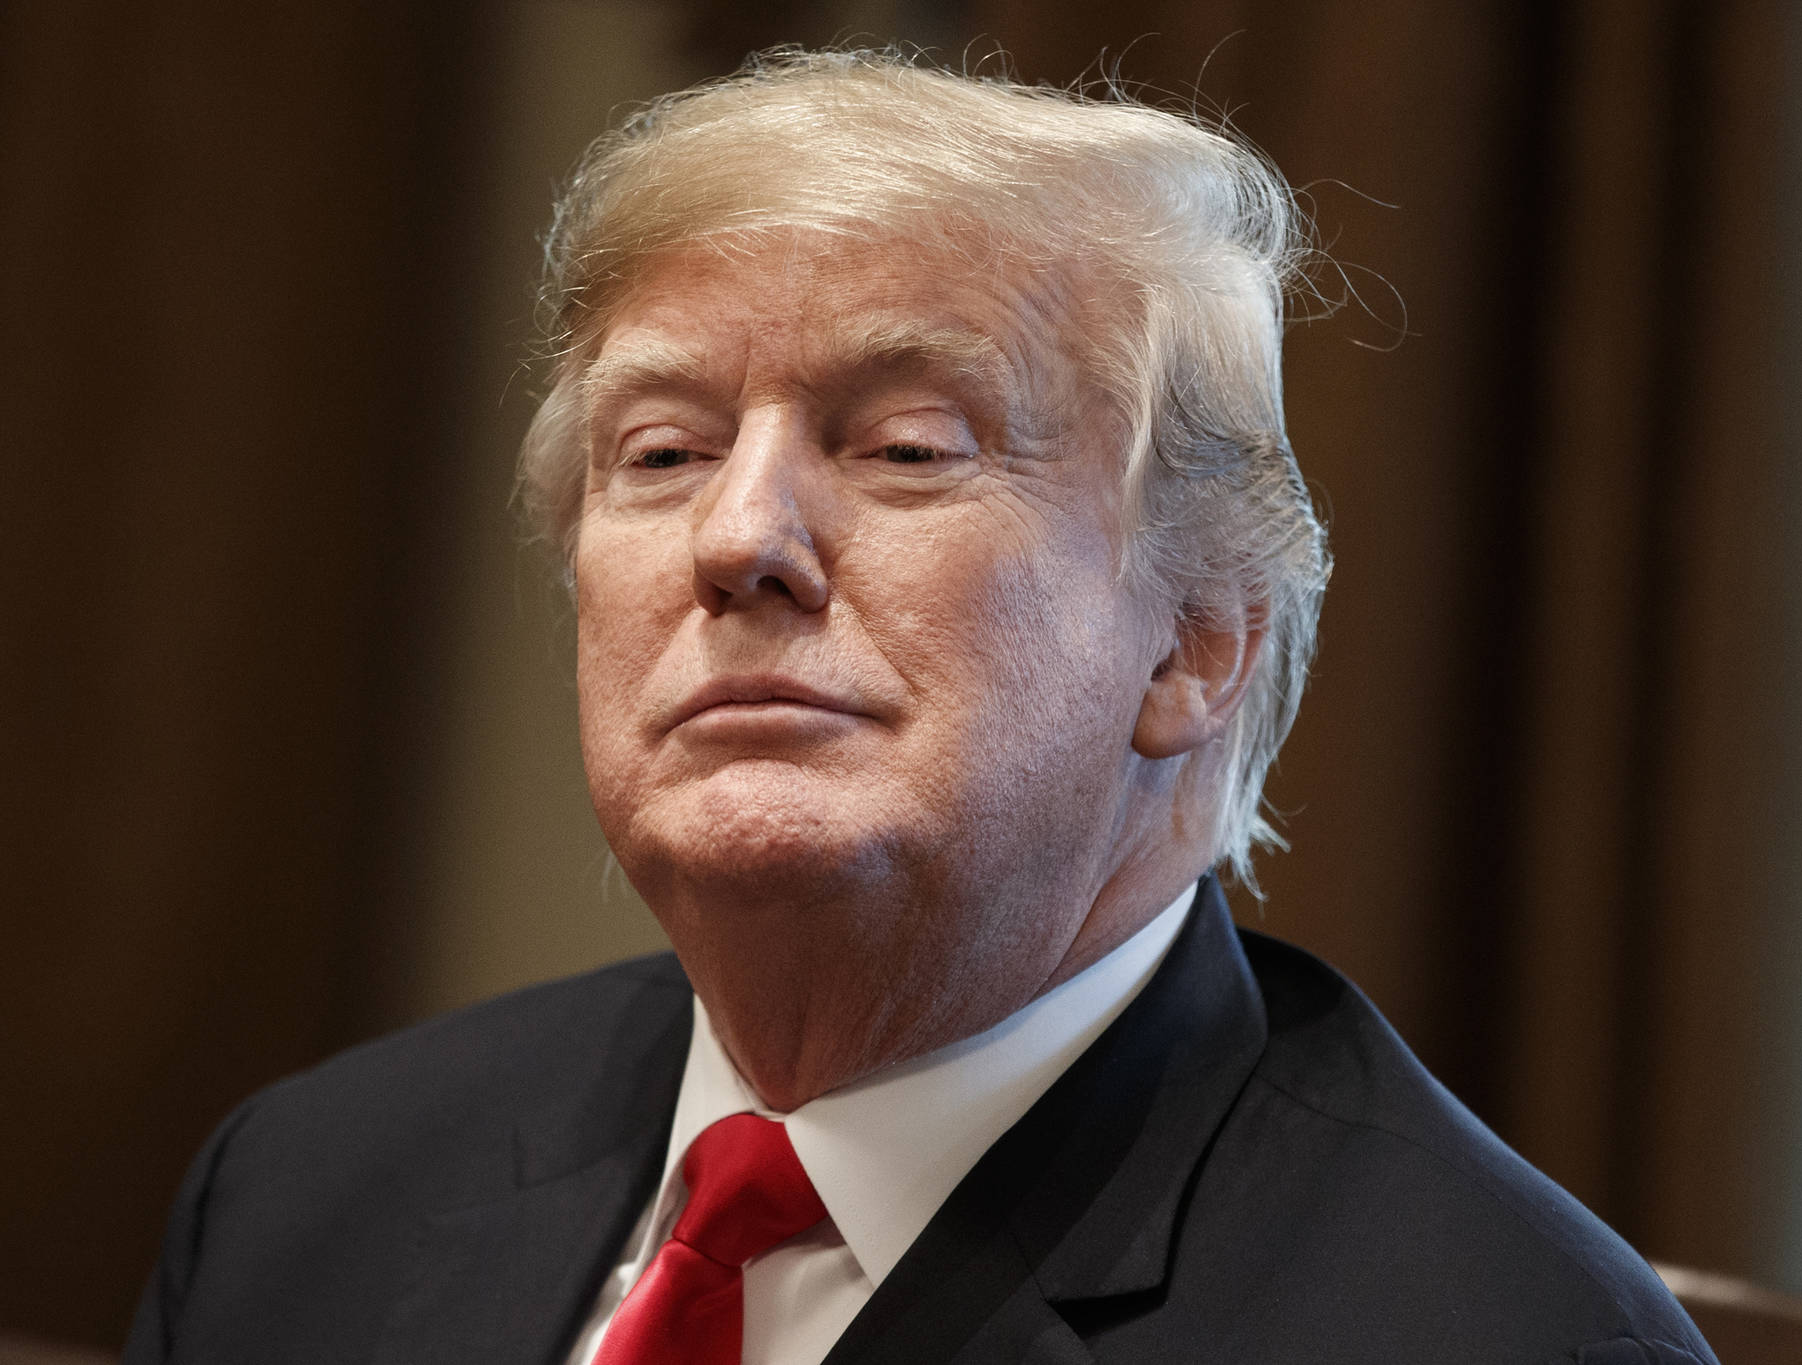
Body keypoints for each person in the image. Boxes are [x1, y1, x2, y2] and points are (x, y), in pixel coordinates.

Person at [124, 48, 1717, 1365]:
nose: (739, 536)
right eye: (662, 452)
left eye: (904, 446)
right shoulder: (306, 1192)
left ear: (1197, 646)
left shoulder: (1498, 1338)